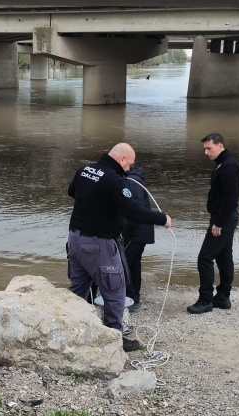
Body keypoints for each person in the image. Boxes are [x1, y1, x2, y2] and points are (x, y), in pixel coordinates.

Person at [67, 143, 171, 351]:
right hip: (100, 244)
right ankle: (114, 339)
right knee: (114, 292)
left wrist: (97, 204)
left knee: (78, 289)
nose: (129, 169)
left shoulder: (85, 169)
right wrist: (162, 218)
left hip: (75, 240)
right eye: (129, 164)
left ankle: (71, 332)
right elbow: (133, 211)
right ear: (122, 159)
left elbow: (72, 192)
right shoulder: (115, 181)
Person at [188, 133, 239, 315]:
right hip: (225, 217)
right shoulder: (223, 164)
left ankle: (206, 300)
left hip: (223, 218)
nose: (206, 152)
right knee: (224, 257)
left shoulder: (229, 167)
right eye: (204, 148)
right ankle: (223, 297)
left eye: (209, 148)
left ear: (220, 146)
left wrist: (218, 223)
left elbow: (230, 198)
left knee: (205, 258)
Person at [122, 166, 154, 312]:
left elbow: (133, 210)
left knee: (123, 263)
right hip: (142, 232)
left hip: (134, 233)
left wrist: (123, 227)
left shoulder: (130, 182)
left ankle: (130, 297)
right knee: (134, 263)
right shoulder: (136, 181)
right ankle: (134, 297)